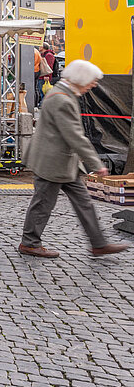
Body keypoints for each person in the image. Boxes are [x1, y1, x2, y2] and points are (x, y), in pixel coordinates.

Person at [20, 60, 129, 258]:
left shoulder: (61, 94)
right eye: (92, 81)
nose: (93, 85)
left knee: (83, 203)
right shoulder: (62, 99)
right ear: (81, 79)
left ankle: (98, 243)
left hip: (61, 163)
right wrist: (96, 164)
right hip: (52, 163)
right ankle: (29, 243)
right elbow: (75, 136)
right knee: (44, 203)